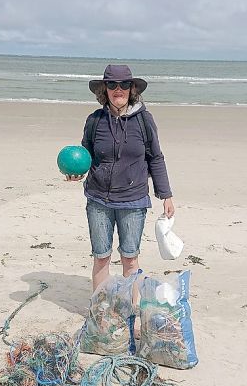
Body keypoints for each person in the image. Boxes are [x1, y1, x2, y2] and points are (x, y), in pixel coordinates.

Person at [66, 64, 175, 292]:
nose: (118, 89)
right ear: (104, 89)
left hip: (133, 201)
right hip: (98, 200)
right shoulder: (95, 120)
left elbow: (156, 157)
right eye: (112, 84)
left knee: (130, 259)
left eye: (124, 84)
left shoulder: (144, 120)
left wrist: (166, 195)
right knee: (101, 258)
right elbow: (85, 154)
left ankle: (131, 312)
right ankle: (101, 313)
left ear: (132, 88)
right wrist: (77, 172)